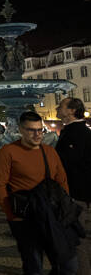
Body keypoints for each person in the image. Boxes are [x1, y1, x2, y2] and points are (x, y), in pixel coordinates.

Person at [0, 111, 78, 274]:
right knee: (33, 264)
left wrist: (63, 208)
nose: (37, 134)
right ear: (21, 130)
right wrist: (11, 214)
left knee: (67, 263)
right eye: (31, 130)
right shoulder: (8, 152)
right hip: (26, 217)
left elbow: (62, 181)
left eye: (40, 130)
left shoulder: (49, 152)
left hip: (51, 214)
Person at [55, 97, 91, 275]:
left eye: (61, 106)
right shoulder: (72, 130)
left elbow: (70, 163)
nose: (57, 107)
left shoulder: (78, 133)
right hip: (74, 194)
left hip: (74, 195)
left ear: (71, 111)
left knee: (76, 240)